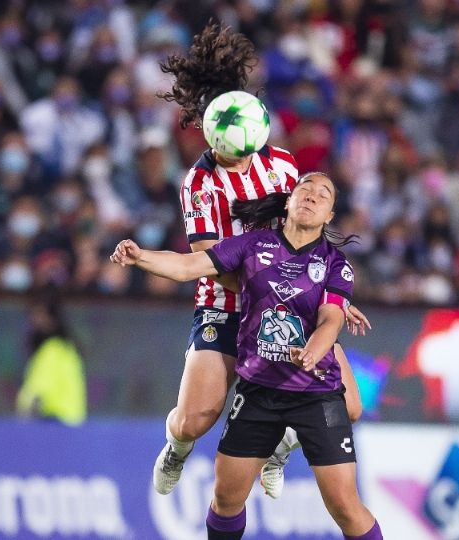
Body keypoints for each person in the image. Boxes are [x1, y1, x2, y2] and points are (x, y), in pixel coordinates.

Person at [152, 23, 369, 500]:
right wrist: (266, 288)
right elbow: (206, 260)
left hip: (291, 302)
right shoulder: (200, 183)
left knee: (350, 404)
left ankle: (280, 447)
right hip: (228, 300)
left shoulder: (285, 167)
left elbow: (306, 233)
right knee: (196, 417)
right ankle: (175, 447)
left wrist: (330, 291)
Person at [111, 172, 382, 540]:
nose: (312, 196)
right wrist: (141, 256)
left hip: (315, 396)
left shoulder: (335, 264)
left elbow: (332, 318)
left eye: (324, 194)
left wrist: (314, 350)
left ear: (330, 214)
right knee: (225, 498)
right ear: (288, 201)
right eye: (305, 188)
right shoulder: (252, 245)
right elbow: (191, 267)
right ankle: (248, 446)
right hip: (258, 394)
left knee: (345, 506)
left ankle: (283, 446)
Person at [16, 296, 86, 426]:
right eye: (32, 315)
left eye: (40, 315)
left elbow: (38, 387)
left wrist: (25, 414)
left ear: (52, 318)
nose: (35, 320)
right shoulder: (66, 347)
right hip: (69, 421)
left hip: (55, 420)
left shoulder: (52, 349)